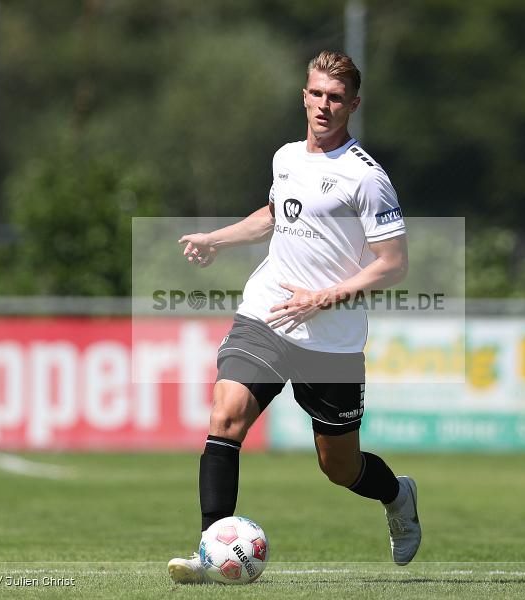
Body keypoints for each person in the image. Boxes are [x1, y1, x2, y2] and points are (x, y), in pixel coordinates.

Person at [167, 50, 420, 583]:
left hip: (330, 340)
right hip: (266, 316)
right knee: (225, 418)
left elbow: (393, 264)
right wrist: (216, 239)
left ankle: (397, 495)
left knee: (339, 466)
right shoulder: (285, 157)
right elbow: (275, 214)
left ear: (353, 104)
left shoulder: (366, 178)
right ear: (304, 96)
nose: (324, 105)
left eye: (336, 97)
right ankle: (210, 552)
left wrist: (323, 297)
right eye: (316, 93)